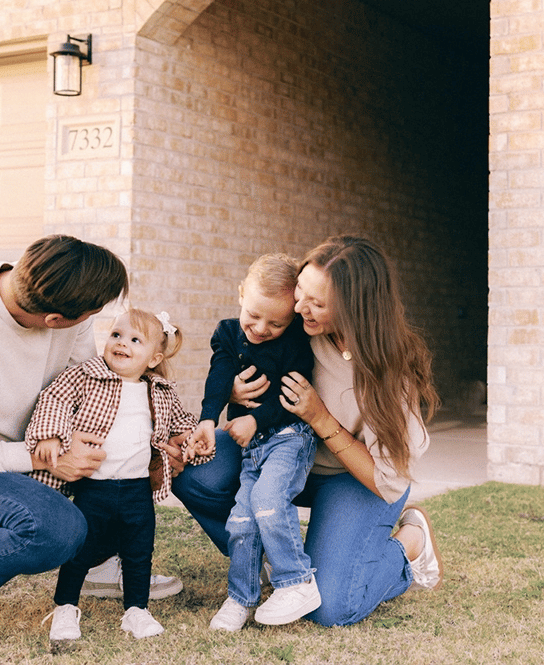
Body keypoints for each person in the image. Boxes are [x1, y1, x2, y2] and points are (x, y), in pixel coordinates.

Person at [0, 235, 176, 654]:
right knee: (57, 528)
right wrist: (45, 456)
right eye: (93, 316)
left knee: (121, 478)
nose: (96, 324)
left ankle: (95, 561)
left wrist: (146, 437)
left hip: (30, 468)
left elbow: (84, 383)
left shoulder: (57, 295)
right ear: (56, 319)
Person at [171, 235, 443, 627]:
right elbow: (240, 354)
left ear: (355, 310)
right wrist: (231, 391)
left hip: (354, 479)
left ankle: (411, 546)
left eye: (316, 303)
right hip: (280, 453)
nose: (299, 307)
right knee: (195, 472)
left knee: (330, 607)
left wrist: (321, 418)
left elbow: (385, 480)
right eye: (301, 291)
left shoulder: (390, 372)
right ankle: (269, 560)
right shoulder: (294, 324)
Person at [26, 309, 211, 641]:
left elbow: (180, 421)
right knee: (79, 549)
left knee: (139, 550)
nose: (122, 343)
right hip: (93, 486)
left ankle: (136, 610)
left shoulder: (161, 391)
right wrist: (51, 434)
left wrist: (187, 439)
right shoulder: (85, 376)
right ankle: (66, 607)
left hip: (137, 488)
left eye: (135, 340)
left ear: (154, 358)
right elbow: (54, 398)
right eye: (116, 335)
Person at [190, 253, 318, 630]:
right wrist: (208, 419)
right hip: (254, 446)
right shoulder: (228, 333)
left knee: (266, 500)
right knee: (242, 520)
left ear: (292, 317)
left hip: (290, 437)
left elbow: (292, 397)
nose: (260, 328)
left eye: (276, 322)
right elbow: (219, 375)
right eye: (254, 315)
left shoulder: (296, 343)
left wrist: (253, 418)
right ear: (242, 294)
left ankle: (297, 580)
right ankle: (239, 598)